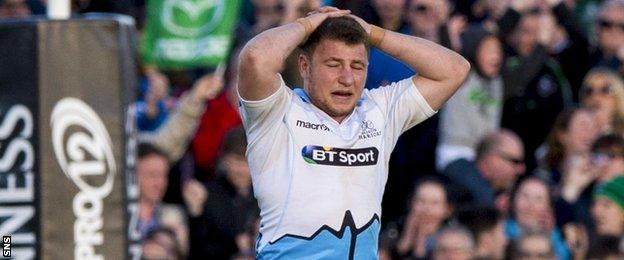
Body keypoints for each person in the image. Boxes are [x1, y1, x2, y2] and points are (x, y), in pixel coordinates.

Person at [237, 5, 470, 258]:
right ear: (304, 67)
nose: (347, 78)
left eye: (357, 66)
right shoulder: (278, 111)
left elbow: (454, 69)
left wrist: (372, 33)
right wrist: (309, 24)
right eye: (334, 64)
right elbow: (256, 58)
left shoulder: (379, 110)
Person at [443, 129, 525, 209]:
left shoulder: (459, 168)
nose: (521, 169)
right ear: (492, 159)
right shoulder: (476, 194)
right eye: (515, 161)